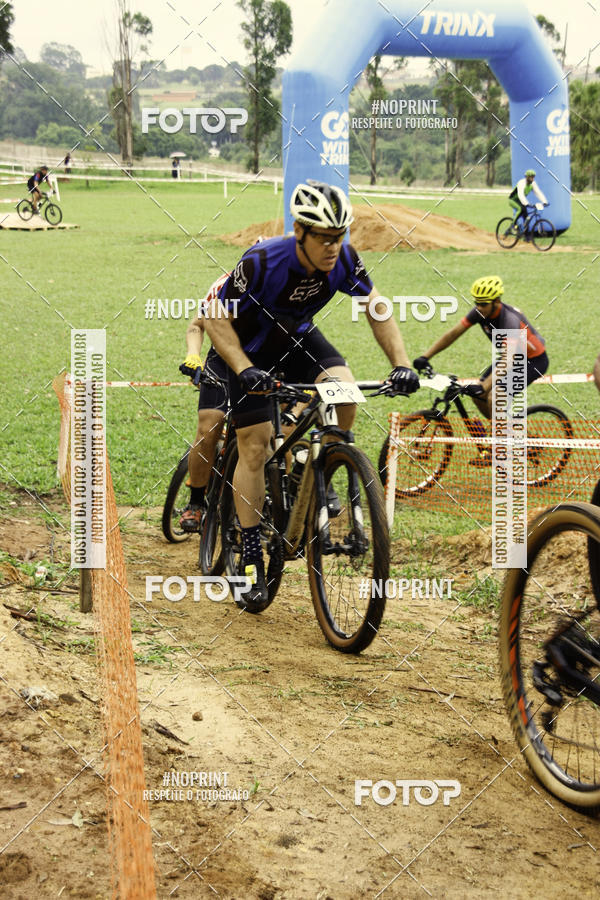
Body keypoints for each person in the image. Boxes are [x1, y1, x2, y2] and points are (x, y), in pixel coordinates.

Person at [201, 179, 419, 608]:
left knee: (346, 393)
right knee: (255, 446)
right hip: (245, 351)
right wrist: (244, 369)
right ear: (299, 231)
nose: (333, 247)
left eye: (340, 237)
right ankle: (248, 548)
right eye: (324, 238)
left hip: (298, 341)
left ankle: (313, 471)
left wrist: (402, 363)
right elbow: (213, 315)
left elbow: (377, 309)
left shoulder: (344, 260)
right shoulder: (263, 261)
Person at [413, 275, 549, 466]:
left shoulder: (509, 319)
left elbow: (509, 359)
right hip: (511, 358)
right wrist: (426, 356)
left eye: (483, 304)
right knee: (479, 395)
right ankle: (508, 435)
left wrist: (485, 386)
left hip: (533, 361)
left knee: (494, 396)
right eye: (476, 303)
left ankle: (502, 447)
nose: (479, 307)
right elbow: (452, 334)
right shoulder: (479, 312)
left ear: (496, 302)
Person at [178, 273, 230, 532]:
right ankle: (196, 502)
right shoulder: (226, 285)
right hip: (222, 359)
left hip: (266, 360)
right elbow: (196, 325)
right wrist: (193, 356)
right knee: (209, 425)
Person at [508, 169, 548, 236]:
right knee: (520, 209)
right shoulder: (521, 183)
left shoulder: (533, 183)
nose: (532, 179)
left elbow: (538, 193)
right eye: (531, 177)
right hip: (513, 200)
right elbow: (521, 195)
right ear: (527, 177)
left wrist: (544, 201)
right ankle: (513, 226)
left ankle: (526, 236)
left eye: (533, 177)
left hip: (521, 201)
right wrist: (526, 203)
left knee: (526, 217)